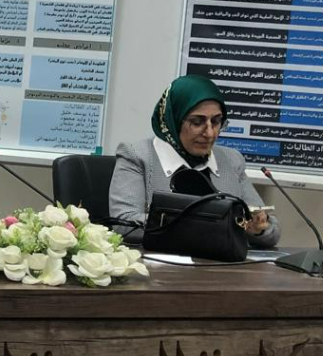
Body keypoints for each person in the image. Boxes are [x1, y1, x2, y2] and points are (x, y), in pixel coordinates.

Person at [109, 75, 279, 248]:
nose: (210, 133)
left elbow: (271, 228)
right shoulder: (138, 156)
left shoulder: (231, 160)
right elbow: (124, 224)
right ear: (174, 119)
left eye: (216, 121)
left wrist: (258, 229)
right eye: (197, 122)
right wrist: (209, 224)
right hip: (161, 262)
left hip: (221, 263)